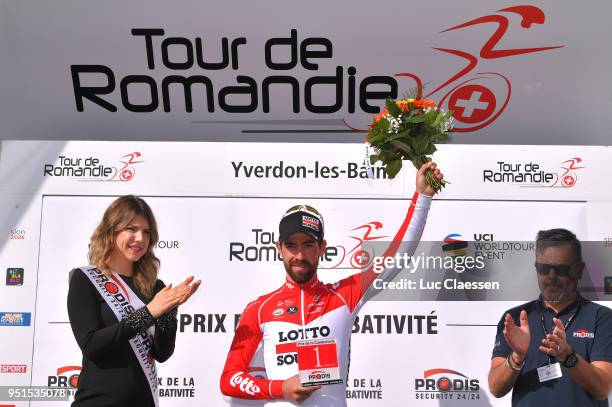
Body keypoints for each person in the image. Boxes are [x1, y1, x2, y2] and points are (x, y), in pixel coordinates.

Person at [220, 162, 442, 406]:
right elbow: (229, 380)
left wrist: (422, 197)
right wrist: (279, 388)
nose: (300, 255)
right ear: (279, 249)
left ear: (322, 248)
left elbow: (397, 254)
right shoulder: (259, 308)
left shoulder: (344, 295)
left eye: (308, 245)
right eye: (291, 245)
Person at [67, 195, 200, 406]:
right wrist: (148, 313)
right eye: (131, 229)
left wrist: (169, 311)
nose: (140, 238)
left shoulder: (155, 287)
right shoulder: (86, 279)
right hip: (98, 401)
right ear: (111, 230)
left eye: (146, 232)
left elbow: (161, 353)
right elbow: (92, 345)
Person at [488, 228, 612, 406]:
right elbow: (496, 388)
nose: (552, 276)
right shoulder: (515, 318)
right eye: (545, 268)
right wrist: (517, 356)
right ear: (536, 269)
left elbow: (602, 388)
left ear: (579, 270)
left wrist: (569, 357)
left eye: (561, 269)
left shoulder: (602, 318)